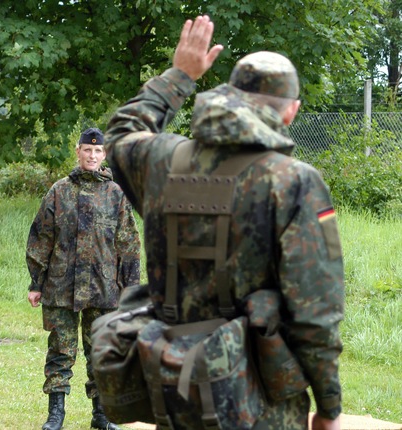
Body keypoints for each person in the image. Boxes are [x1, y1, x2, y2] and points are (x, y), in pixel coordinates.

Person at [104, 16, 344, 430]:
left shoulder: (162, 161)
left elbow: (123, 131)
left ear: (229, 97)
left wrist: (180, 74)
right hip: (260, 404)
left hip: (177, 386)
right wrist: (328, 408)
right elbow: (316, 314)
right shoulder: (292, 181)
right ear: (291, 112)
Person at [26, 127, 142, 430]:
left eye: (97, 151)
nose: (92, 155)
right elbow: (41, 238)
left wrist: (130, 289)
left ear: (104, 155)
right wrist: (35, 282)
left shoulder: (116, 194)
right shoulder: (59, 190)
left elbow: (128, 244)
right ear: (77, 151)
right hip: (60, 287)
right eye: (87, 150)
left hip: (104, 289)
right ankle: (56, 415)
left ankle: (101, 415)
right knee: (60, 353)